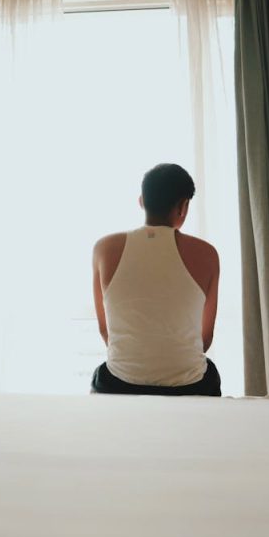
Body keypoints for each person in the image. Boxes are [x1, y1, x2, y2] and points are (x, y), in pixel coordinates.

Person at [91, 163, 221, 396]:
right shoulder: (207, 254)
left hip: (118, 383)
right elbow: (204, 339)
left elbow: (105, 330)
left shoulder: (104, 249)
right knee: (208, 371)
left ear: (141, 201)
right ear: (183, 207)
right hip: (189, 386)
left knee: (103, 373)